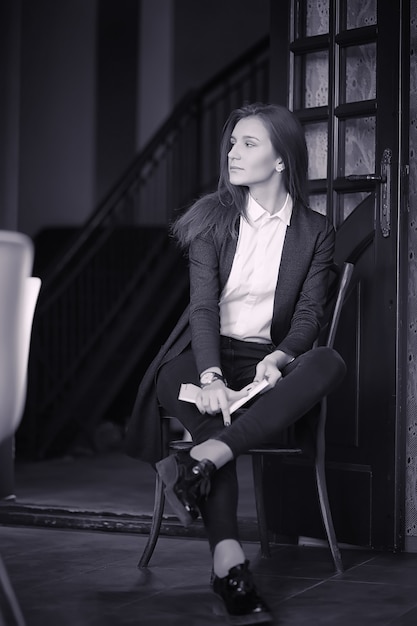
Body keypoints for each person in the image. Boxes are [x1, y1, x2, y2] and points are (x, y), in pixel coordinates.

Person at [125, 102, 346, 624]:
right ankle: (229, 563)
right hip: (197, 355)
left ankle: (198, 464)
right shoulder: (212, 219)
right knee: (209, 413)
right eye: (232, 143)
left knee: (328, 361)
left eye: (249, 143)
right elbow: (202, 307)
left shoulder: (314, 230)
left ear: (282, 159)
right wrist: (210, 377)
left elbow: (311, 313)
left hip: (264, 360)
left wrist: (281, 356)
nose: (233, 153)